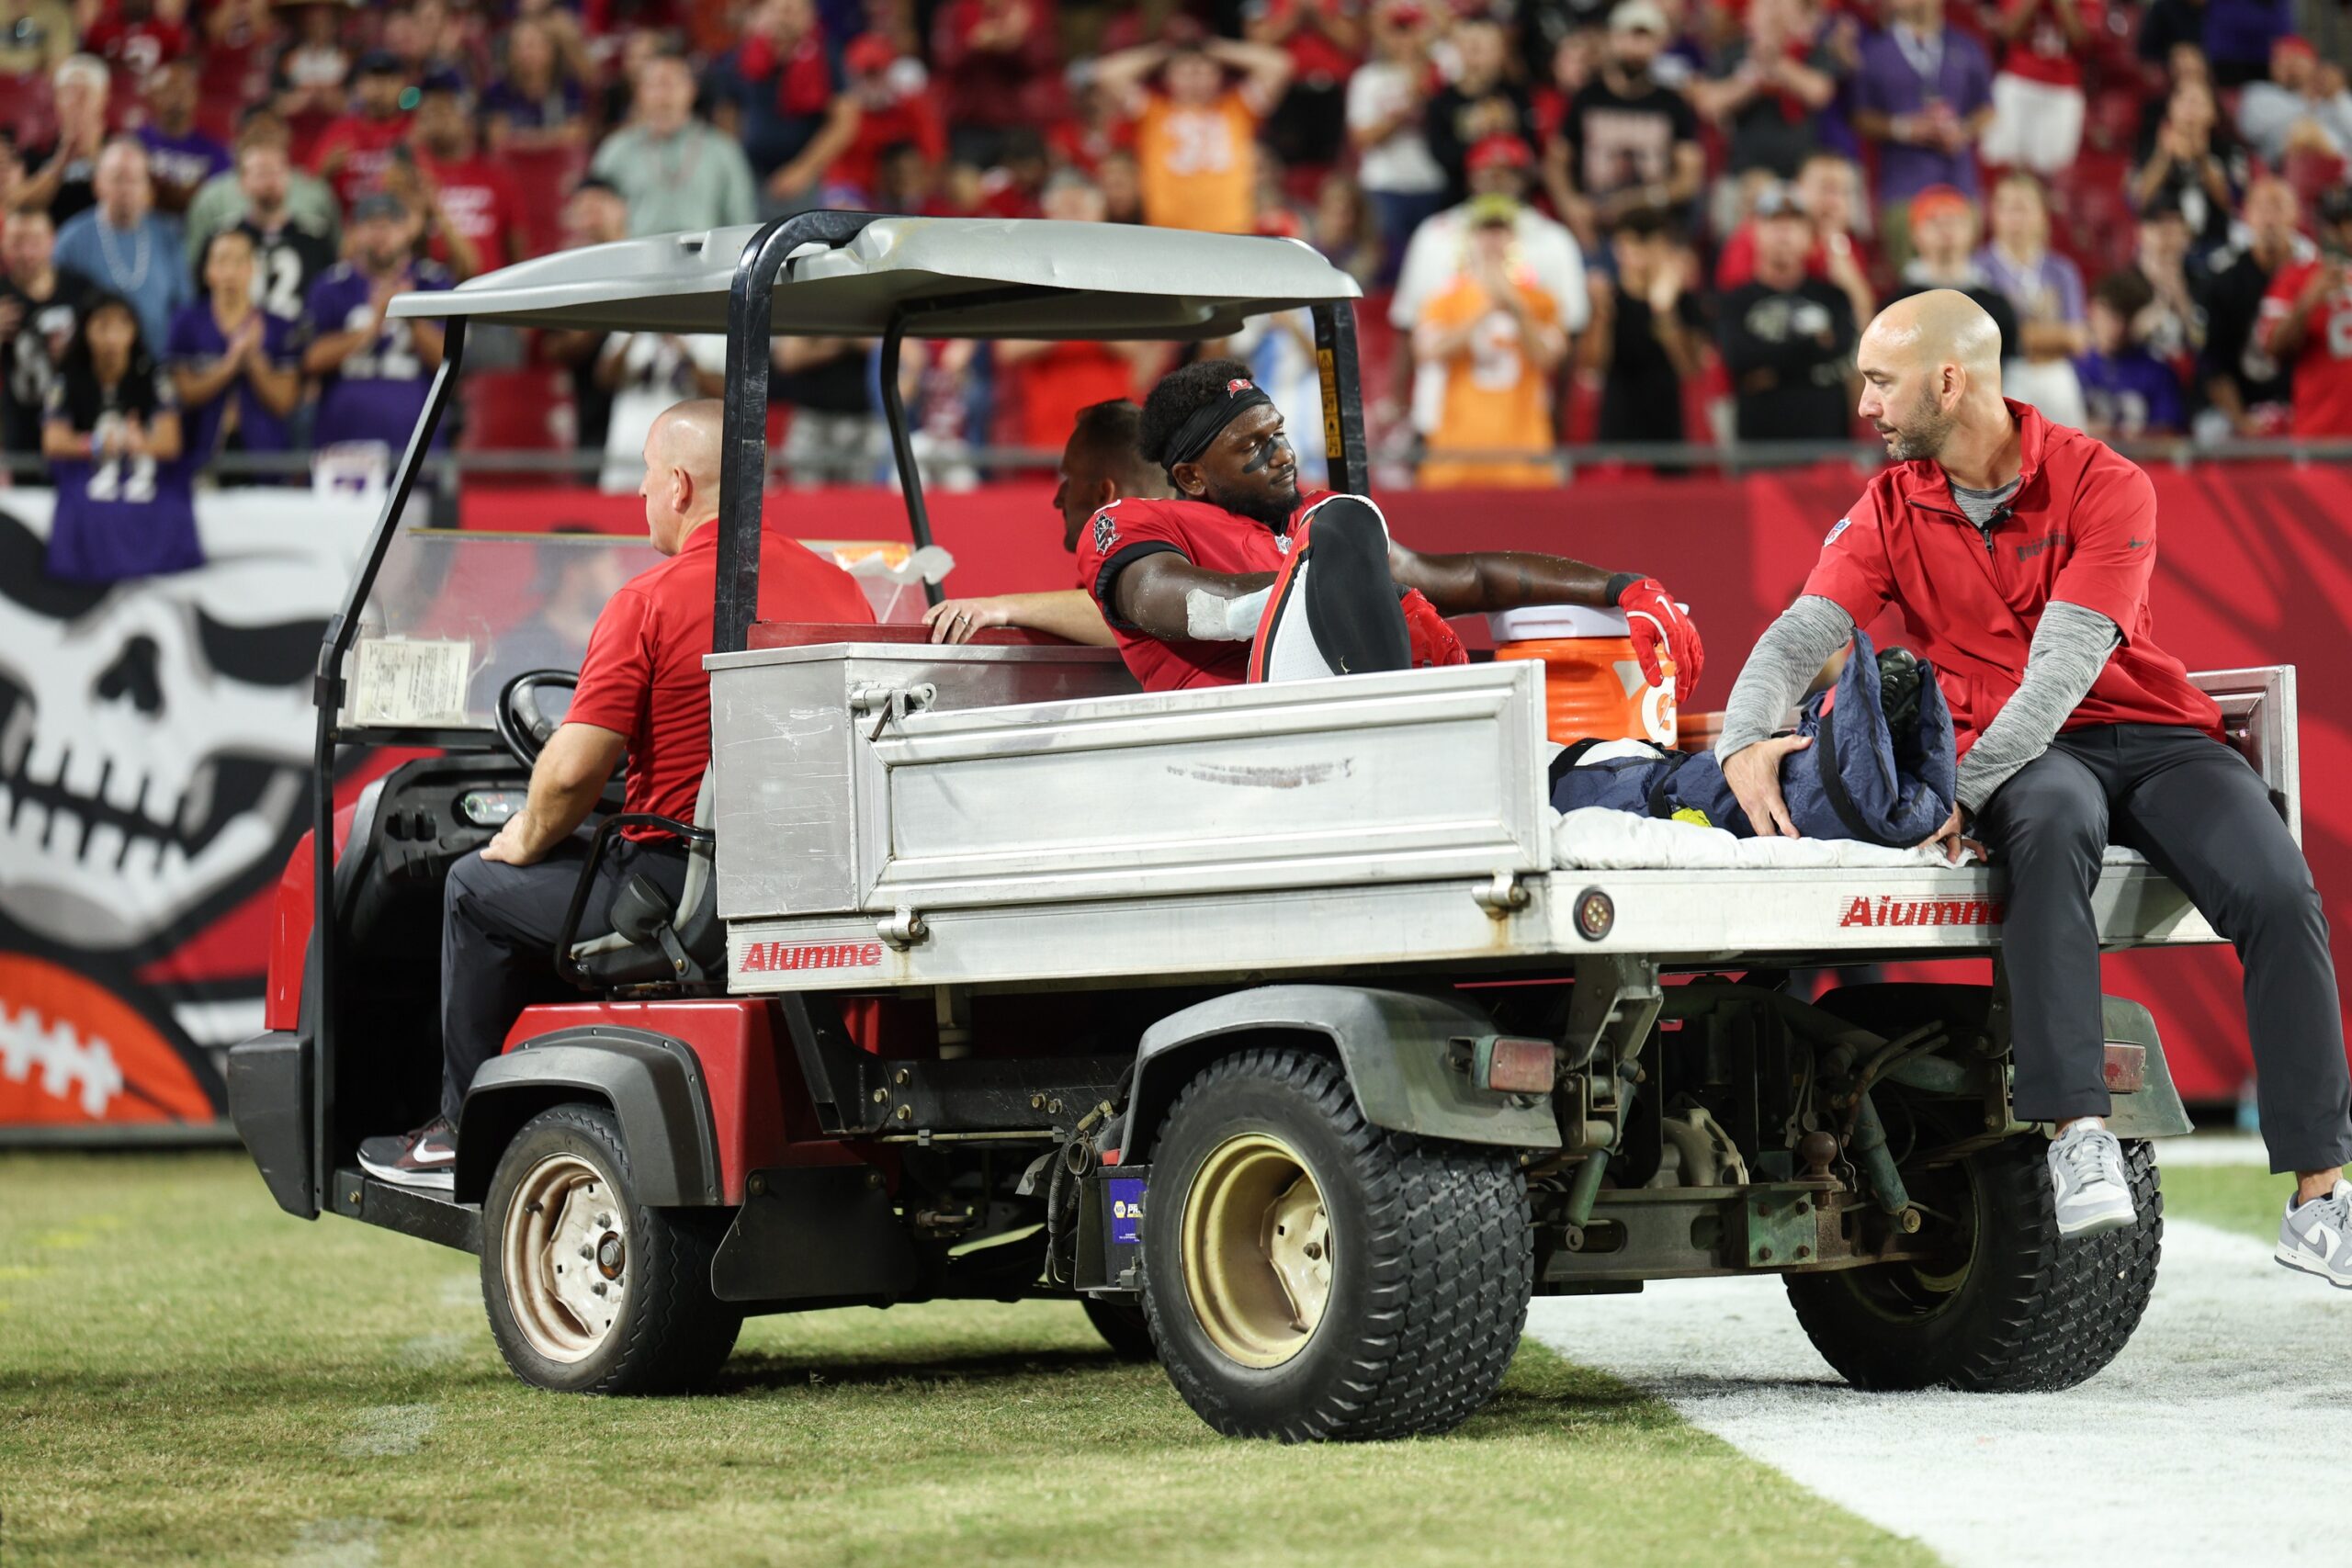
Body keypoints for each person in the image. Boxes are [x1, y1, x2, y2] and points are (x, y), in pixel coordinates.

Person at [1713, 288, 2352, 1275]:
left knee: (2278, 889)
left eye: (1881, 382)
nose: (1866, 406)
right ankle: (2076, 1136)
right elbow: (1806, 628)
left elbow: (2062, 672)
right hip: (2032, 761)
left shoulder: (2108, 482)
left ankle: (2321, 1196)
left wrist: (1960, 791)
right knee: (2048, 830)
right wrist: (1744, 735)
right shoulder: (1890, 501)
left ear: (1949, 379)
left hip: (2142, 730)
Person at [358, 400, 877, 1188]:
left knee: (474, 886)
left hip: (682, 890)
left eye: (641, 475)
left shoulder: (651, 600)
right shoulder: (842, 592)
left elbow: (571, 772)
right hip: (805, 884)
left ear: (676, 485)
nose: (638, 496)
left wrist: (523, 838)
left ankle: (461, 1128)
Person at [1074, 356, 1702, 696]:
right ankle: (1399, 722)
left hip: (1337, 736)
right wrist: (1340, 589)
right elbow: (1177, 603)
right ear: (1190, 477)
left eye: (1280, 434)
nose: (1284, 455)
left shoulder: (1310, 519)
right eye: (1253, 447)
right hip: (1247, 750)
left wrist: (1621, 586)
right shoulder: (1133, 522)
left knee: (1345, 519)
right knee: (1346, 518)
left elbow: (1467, 577)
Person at [1390, 135, 1588, 447]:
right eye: (1487, 170)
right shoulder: (1434, 235)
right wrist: (1398, 400)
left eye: (1507, 171)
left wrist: (1562, 413)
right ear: (1470, 175)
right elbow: (1407, 325)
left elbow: (1570, 334)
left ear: (1525, 177)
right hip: (1441, 410)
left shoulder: (1554, 240)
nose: (1496, 180)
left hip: (1524, 412)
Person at [923, 397, 1168, 647]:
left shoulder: (1165, 574)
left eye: (1070, 480)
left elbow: (1132, 610)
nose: (1058, 499)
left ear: (1103, 495)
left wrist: (998, 608)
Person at [39, 289, 197, 581]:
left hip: (142, 477)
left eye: (121, 326)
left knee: (169, 508)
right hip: (92, 476)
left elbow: (170, 441)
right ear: (85, 330)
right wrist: (98, 443)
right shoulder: (67, 380)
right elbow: (53, 441)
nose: (112, 338)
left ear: (134, 330)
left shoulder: (154, 378)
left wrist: (141, 443)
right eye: (102, 326)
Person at [1413, 195, 1567, 488]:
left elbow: (1549, 358)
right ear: (1470, 237)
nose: (1492, 240)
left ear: (1513, 237)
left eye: (1500, 230)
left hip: (1524, 456)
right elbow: (1427, 351)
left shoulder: (1541, 300)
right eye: (1485, 230)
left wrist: (1516, 308)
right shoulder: (1444, 301)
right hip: (1456, 456)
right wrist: (1485, 308)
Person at [1096, 31, 1293, 235]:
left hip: (1232, 231)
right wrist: (1165, 50)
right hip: (1168, 233)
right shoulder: (1152, 112)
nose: (1195, 78)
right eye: (1187, 71)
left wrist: (1215, 47)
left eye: (1203, 70)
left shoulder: (1237, 109)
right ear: (1169, 77)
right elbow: (1108, 73)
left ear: (1218, 76)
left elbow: (1279, 65)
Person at [300, 192, 453, 453]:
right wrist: (371, 328)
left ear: (407, 231)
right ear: (355, 232)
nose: (381, 235)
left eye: (390, 225)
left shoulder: (433, 281)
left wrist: (408, 316)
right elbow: (311, 360)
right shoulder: (331, 285)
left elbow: (449, 359)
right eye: (372, 226)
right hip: (343, 440)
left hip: (416, 440)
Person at [1547, 2, 1703, 250]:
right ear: (1612, 39)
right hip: (1594, 226)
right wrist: (1570, 205)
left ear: (1659, 45)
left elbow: (1690, 175)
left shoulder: (1672, 103)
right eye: (1629, 36)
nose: (1636, 48)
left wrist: (1643, 199)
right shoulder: (1588, 97)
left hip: (1654, 227)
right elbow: (1557, 160)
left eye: (1645, 39)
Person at [1851, 0, 1994, 265]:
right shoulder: (1875, 51)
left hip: (1960, 184)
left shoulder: (1966, 45)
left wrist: (1962, 131)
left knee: (1961, 288)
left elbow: (1988, 108)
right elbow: (1860, 116)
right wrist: (1904, 128)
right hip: (1904, 187)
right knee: (1911, 293)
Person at [1717, 183, 1859, 443]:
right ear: (1754, 232)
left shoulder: (1834, 297)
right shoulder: (1734, 301)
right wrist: (1813, 349)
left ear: (1809, 235)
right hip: (1761, 449)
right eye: (1773, 222)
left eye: (1794, 223)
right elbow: (1737, 357)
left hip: (1827, 447)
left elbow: (1842, 349)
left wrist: (1771, 368)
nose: (1783, 231)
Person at [167, 227, 300, 472]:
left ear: (253, 268)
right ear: (207, 270)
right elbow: (185, 394)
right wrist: (230, 364)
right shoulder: (186, 323)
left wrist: (254, 360)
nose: (230, 272)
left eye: (239, 261)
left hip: (264, 459)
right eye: (221, 261)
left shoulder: (280, 327)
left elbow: (284, 402)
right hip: (199, 454)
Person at [588, 50, 759, 236]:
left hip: (707, 261)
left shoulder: (723, 150)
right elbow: (593, 216)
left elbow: (742, 222)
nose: (663, 95)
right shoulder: (616, 150)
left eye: (672, 84)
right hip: (635, 259)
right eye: (654, 85)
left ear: (692, 90)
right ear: (639, 92)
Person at [716, 0, 861, 215]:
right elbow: (726, 116)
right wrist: (738, 167)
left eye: (793, 10)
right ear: (761, 15)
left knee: (805, 243)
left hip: (809, 176)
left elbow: (845, 122)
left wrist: (803, 170)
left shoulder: (827, 56)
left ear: (810, 16)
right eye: (776, 9)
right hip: (751, 175)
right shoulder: (740, 58)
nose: (784, 17)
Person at [1583, 204, 1704, 443]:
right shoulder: (1608, 299)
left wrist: (1664, 311)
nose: (1632, 254)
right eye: (1625, 245)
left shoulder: (1682, 301)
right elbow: (1592, 367)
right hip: (1618, 426)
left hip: (1668, 428)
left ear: (1661, 247)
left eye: (1642, 244)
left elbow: (1690, 368)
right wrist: (1601, 316)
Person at [53, 139, 191, 348]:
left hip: (158, 366)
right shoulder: (71, 240)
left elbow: (184, 306)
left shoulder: (169, 235)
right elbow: (57, 310)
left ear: (148, 187)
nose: (126, 189)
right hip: (92, 368)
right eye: (117, 179)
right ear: (97, 184)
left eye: (134, 180)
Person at [1974, 172, 2086, 426]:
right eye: (2007, 208)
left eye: (2023, 208)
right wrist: (2052, 337)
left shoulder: (2062, 270)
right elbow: (1986, 343)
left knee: (2069, 454)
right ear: (1994, 214)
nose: (2016, 218)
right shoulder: (1979, 271)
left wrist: (2019, 335)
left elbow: (2077, 339)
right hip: (2006, 375)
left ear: (2042, 215)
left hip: (2057, 374)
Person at [1346, 0, 1449, 276]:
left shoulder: (1441, 71)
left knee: (1432, 267)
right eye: (1398, 29)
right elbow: (1361, 138)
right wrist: (1400, 115)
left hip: (1431, 181)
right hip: (1384, 184)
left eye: (1411, 28)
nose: (1405, 38)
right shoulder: (1367, 78)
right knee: (1387, 267)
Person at [2199, 176, 2305, 437]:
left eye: (2278, 207)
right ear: (2245, 216)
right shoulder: (2223, 281)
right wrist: (2241, 420)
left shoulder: (2315, 277)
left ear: (2296, 215)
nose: (2269, 218)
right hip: (2241, 405)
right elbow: (2214, 365)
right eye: (2261, 208)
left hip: (2305, 406)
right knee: (2209, 430)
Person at [1690, 0, 1840, 182]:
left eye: (1780, 8)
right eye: (1766, 8)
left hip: (1798, 173)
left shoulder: (1810, 51)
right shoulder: (1734, 52)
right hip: (1743, 173)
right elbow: (1709, 104)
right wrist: (1752, 76)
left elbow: (1820, 92)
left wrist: (1776, 64)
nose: (1773, 15)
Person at [402, 72, 523, 280]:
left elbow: (517, 247)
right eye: (429, 112)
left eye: (445, 110)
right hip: (431, 293)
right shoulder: (410, 175)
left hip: (490, 292)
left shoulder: (496, 175)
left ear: (467, 117)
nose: (437, 121)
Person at [2256, 187, 2352, 437]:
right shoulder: (2298, 277)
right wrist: (2307, 302)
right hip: (2321, 435)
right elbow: (2274, 350)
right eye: (2339, 223)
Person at [0, 208, 92, 458]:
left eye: (35, 242)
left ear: (52, 240)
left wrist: (77, 346)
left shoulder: (81, 290)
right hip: (19, 426)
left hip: (77, 424)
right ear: (4, 244)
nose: (27, 253)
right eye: (18, 242)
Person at [223, 126, 339, 322]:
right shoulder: (224, 237)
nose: (270, 182)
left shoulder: (316, 236)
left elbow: (331, 297)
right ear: (242, 182)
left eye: (277, 172)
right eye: (261, 173)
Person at [1423, 13, 1540, 205]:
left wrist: (1509, 127)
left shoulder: (1518, 96)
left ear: (1501, 51)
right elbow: (1441, 156)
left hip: (1515, 203)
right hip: (1459, 205)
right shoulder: (1441, 101)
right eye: (1468, 46)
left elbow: (1532, 151)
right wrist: (1476, 132)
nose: (1475, 54)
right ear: (1456, 50)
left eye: (1484, 47)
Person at [1977, 0, 2097, 175]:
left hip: (2062, 90)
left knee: (2053, 172)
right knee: (1997, 163)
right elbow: (2007, 32)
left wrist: (2064, 5)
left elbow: (2082, 41)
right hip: (2017, 80)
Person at [2075, 272, 2186, 438]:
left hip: (2140, 462)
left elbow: (2169, 433)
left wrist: (2119, 436)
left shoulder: (2156, 370)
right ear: (2091, 311)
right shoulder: (2073, 367)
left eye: (2122, 318)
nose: (2115, 328)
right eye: (2107, 316)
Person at [311, 51, 414, 212]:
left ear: (402, 85)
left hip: (400, 224)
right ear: (359, 85)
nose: (381, 87)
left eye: (389, 80)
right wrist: (326, 171)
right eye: (373, 79)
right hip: (347, 223)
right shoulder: (340, 129)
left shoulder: (414, 130)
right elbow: (311, 185)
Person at [16, 55, 112, 225]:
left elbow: (137, 201)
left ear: (104, 98)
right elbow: (22, 206)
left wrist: (94, 156)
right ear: (57, 101)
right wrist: (61, 161)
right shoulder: (38, 150)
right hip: (50, 244)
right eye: (68, 92)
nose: (75, 101)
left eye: (84, 93)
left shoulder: (120, 147)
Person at [2234, 37, 2352, 166]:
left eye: (2295, 57)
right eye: (2279, 59)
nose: (2288, 65)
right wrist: (2309, 104)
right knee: (2303, 131)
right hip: (2283, 172)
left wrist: (2338, 97)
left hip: (2343, 169)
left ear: (2314, 63)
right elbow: (2250, 129)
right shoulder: (2259, 93)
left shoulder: (2333, 100)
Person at [481, 15, 589, 154]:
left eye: (532, 45)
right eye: (518, 46)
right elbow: (497, 139)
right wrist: (552, 137)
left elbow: (576, 135)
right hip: (513, 165)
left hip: (559, 163)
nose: (525, 54)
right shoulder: (498, 89)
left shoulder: (569, 86)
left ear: (551, 50)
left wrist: (525, 139)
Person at [136, 61, 232, 213]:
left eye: (183, 90)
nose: (176, 98)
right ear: (152, 97)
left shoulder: (216, 150)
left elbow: (215, 202)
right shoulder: (134, 143)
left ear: (195, 95)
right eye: (167, 91)